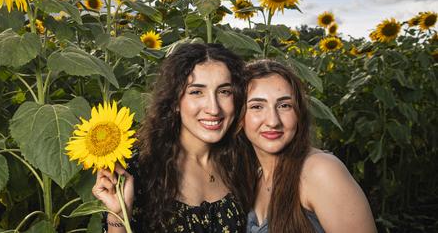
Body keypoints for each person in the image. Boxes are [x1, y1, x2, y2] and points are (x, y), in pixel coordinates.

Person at [92, 43, 247, 232]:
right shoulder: (136, 170)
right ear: (175, 101)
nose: (213, 108)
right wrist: (118, 214)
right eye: (197, 92)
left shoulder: (244, 161)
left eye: (224, 92)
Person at [234, 59, 377, 233]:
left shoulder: (321, 171)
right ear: (240, 117)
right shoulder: (253, 176)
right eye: (257, 106)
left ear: (299, 113)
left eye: (284, 105)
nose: (273, 121)